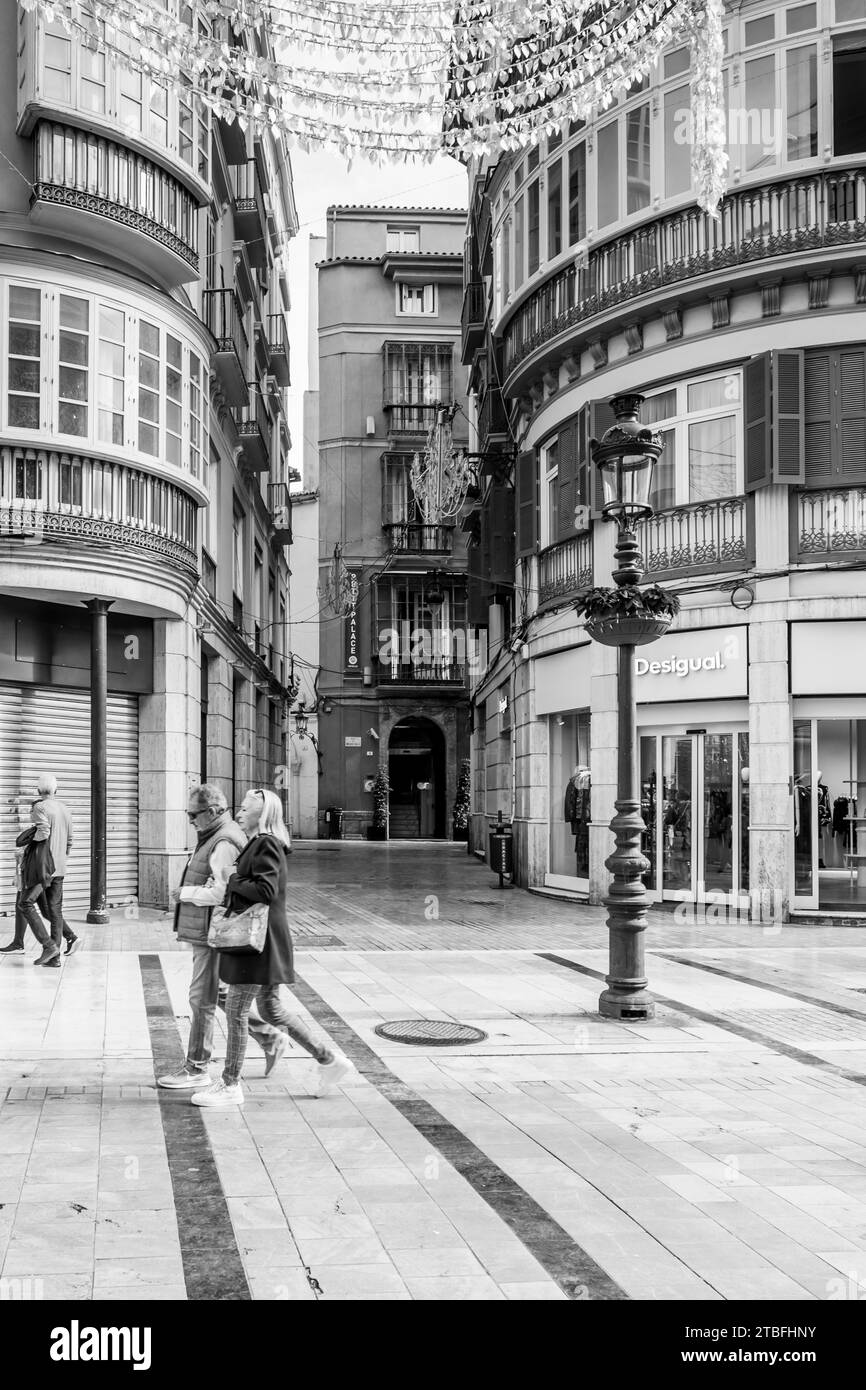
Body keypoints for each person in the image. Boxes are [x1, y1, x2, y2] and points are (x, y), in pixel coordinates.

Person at [192, 788, 354, 1109]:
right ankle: (329, 1060)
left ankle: (230, 1083)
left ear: (263, 813)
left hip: (259, 942)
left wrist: (233, 876)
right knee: (270, 1009)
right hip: (267, 937)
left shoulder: (266, 843)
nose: (239, 812)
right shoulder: (259, 842)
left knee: (237, 1010)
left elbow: (264, 890)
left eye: (246, 807)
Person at [158, 784, 286, 1090]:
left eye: (193, 814)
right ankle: (269, 1037)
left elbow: (221, 889)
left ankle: (197, 1066)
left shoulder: (225, 840)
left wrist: (185, 893)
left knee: (200, 998)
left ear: (212, 812)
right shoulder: (214, 834)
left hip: (213, 929)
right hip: (207, 928)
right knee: (217, 994)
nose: (190, 820)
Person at [1, 776, 80, 959]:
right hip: (59, 867)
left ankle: (49, 946)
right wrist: (61, 858)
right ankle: (55, 956)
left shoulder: (40, 807)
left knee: (25, 902)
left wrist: (29, 842)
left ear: (38, 791)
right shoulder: (65, 809)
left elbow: (43, 831)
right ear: (56, 790)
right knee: (53, 910)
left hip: (43, 869)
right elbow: (69, 841)